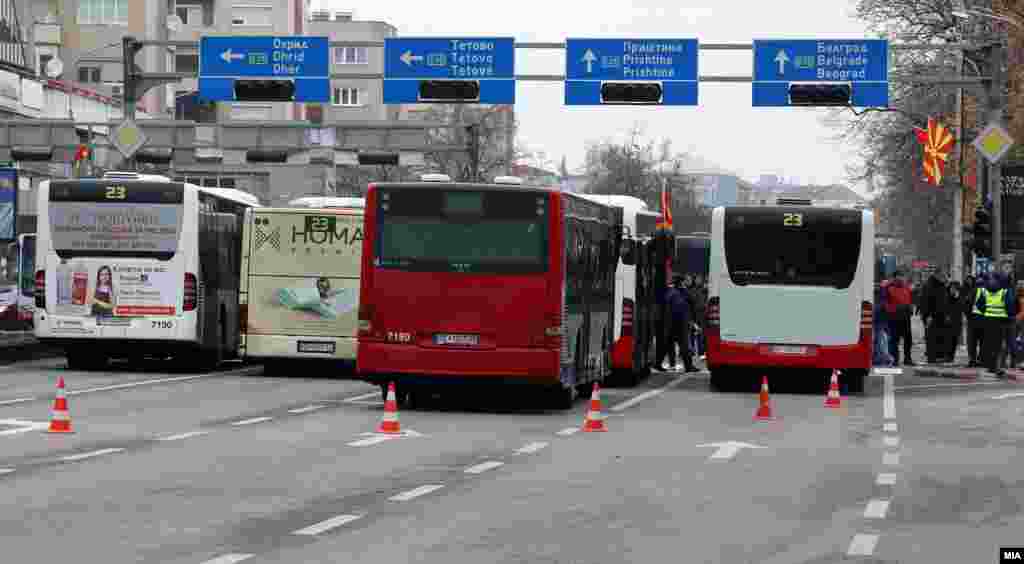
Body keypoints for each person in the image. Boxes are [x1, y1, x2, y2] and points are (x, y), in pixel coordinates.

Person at [976, 271, 1016, 377]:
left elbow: (979, 304)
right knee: (998, 345)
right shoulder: (1004, 291)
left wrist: (986, 311)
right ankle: (996, 367)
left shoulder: (985, 290)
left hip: (988, 319)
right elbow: (1010, 306)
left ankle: (990, 366)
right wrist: (1009, 315)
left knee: (989, 343)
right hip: (1001, 321)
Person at [664, 274, 698, 372]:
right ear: (681, 282)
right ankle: (688, 366)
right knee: (684, 346)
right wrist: (692, 321)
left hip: (670, 323)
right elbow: (692, 304)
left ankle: (672, 364)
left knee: (670, 344)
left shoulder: (669, 292)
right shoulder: (684, 292)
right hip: (681, 323)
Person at [885, 269, 915, 366]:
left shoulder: (906, 287)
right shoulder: (888, 288)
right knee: (894, 340)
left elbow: (909, 299)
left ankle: (907, 358)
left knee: (908, 339)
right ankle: (894, 359)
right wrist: (893, 310)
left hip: (905, 317)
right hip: (894, 317)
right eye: (899, 276)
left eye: (902, 276)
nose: (901, 278)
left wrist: (910, 308)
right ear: (895, 277)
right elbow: (885, 303)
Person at [922, 270, 950, 364]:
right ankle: (931, 356)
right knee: (931, 337)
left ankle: (938, 356)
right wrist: (927, 315)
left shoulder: (941, 285)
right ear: (936, 275)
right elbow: (926, 301)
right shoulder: (929, 285)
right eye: (942, 275)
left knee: (939, 336)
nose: (944, 277)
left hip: (940, 315)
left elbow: (945, 300)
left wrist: (946, 314)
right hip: (932, 315)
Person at [945, 281, 964, 364]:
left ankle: (951, 357)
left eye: (954, 288)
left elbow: (961, 307)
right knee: (948, 339)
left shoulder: (960, 297)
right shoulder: (947, 296)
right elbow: (945, 306)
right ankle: (947, 356)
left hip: (957, 321)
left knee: (954, 340)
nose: (952, 290)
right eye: (951, 288)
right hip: (948, 321)